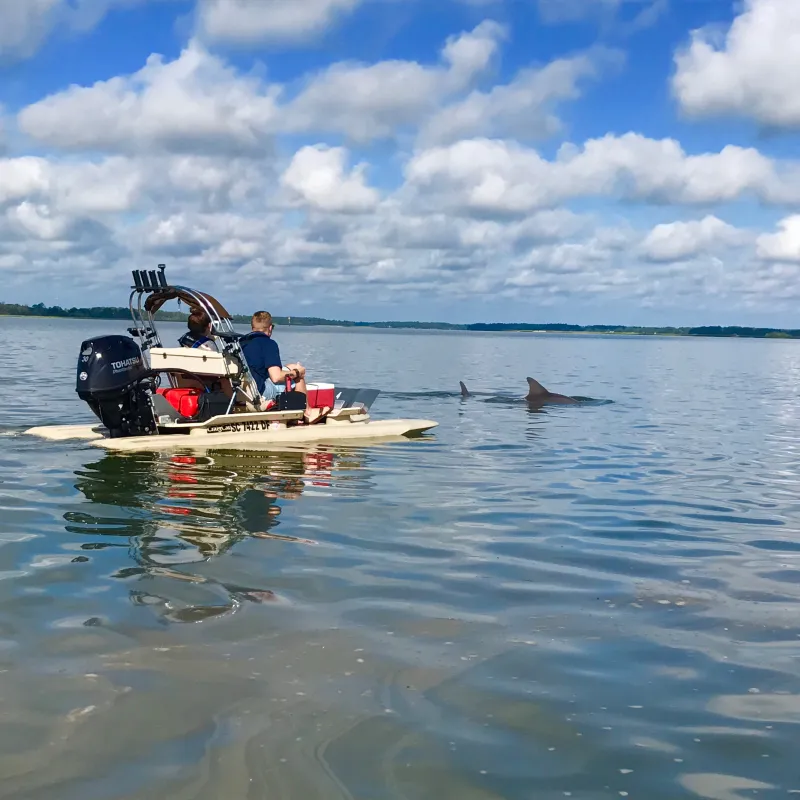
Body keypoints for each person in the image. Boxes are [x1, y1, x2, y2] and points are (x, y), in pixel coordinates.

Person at [239, 311, 307, 405]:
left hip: (242, 391)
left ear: (252, 328)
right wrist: (297, 372)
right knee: (298, 377)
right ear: (270, 328)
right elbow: (276, 377)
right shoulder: (269, 344)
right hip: (259, 392)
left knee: (290, 366)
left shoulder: (241, 343)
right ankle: (305, 412)